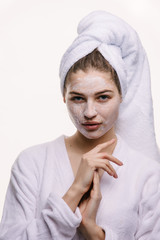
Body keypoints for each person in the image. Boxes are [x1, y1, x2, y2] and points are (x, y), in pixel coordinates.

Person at [0, 10, 160, 240]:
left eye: (103, 97)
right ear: (64, 96)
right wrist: (74, 192)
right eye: (78, 98)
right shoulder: (31, 164)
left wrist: (96, 234)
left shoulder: (148, 174)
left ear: (122, 95)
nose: (89, 113)